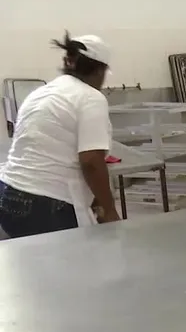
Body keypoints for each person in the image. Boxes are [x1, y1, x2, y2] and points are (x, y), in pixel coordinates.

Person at [0, 32, 119, 238]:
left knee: (35, 265)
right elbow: (91, 161)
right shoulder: (90, 97)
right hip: (46, 204)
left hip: (8, 194)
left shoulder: (42, 92)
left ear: (68, 62)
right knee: (71, 265)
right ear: (100, 70)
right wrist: (110, 211)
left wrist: (97, 199)